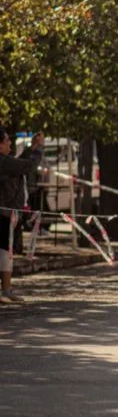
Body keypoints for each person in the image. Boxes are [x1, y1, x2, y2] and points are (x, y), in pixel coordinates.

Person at [0, 127, 33, 303]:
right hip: (3, 213)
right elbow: (27, 165)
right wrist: (36, 150)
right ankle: (5, 290)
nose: (10, 143)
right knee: (4, 251)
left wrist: (33, 149)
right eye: (7, 141)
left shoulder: (6, 161)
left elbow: (21, 164)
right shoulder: (4, 163)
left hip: (7, 214)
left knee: (6, 252)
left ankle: (6, 290)